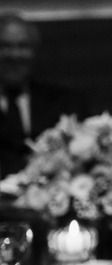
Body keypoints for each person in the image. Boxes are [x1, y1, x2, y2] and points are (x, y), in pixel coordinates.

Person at [0, 12, 88, 177]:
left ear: (34, 52)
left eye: (23, 46)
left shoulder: (66, 102)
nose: (14, 55)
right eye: (4, 46)